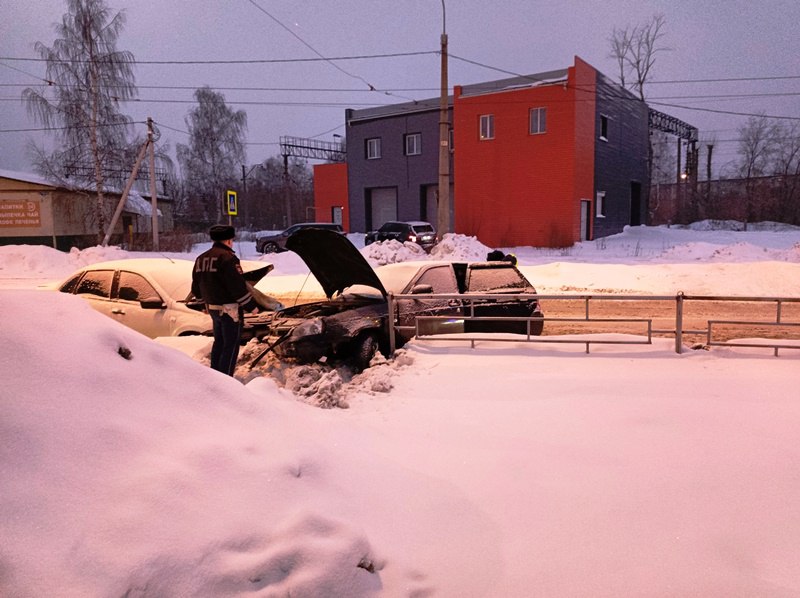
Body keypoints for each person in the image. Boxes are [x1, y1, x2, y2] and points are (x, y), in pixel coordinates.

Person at [191, 225, 259, 376]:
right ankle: (226, 381)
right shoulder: (228, 258)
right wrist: (251, 306)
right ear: (229, 240)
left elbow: (196, 285)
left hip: (213, 309)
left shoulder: (201, 258)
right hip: (230, 310)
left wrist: (202, 304)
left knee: (219, 343)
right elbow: (236, 286)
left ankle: (215, 376)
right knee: (231, 345)